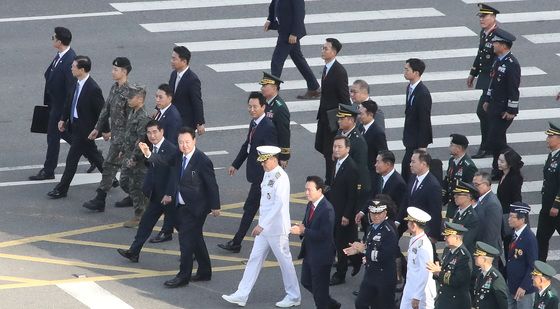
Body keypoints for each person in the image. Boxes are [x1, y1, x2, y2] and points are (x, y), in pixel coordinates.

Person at [222, 146, 300, 308]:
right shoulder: (268, 173)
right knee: (254, 259)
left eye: (264, 162)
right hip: (265, 228)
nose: (262, 165)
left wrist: (262, 225)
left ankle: (293, 296)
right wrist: (262, 224)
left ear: (273, 159)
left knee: (285, 262)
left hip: (276, 229)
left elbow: (278, 205)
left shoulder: (281, 178)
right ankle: (242, 294)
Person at [218, 92, 278, 253]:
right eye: (249, 106)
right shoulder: (254, 123)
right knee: (255, 209)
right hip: (257, 176)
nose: (251, 109)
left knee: (251, 208)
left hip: (263, 177)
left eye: (255, 107)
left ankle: (237, 242)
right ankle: (239, 241)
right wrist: (235, 164)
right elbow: (248, 145)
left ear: (263, 107)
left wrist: (265, 176)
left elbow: (271, 155)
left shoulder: (268, 127)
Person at [163, 127, 221, 288]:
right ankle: (204, 271)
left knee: (186, 241)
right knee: (195, 238)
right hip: (181, 206)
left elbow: (212, 185)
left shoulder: (202, 160)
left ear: (194, 141)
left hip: (196, 208)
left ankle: (183, 276)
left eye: (187, 142)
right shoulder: (178, 156)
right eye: (181, 142)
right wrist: (148, 154)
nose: (184, 145)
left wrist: (215, 206)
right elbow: (164, 163)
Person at [116, 120, 179, 262]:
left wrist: (169, 194)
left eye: (155, 132)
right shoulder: (151, 147)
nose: (152, 135)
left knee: (181, 226)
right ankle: (134, 252)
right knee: (145, 223)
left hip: (169, 197)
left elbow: (172, 173)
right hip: (156, 195)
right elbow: (152, 168)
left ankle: (194, 253)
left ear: (162, 132)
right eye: (149, 132)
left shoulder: (170, 149)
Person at [47, 55, 105, 199]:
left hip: (85, 130)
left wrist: (105, 130)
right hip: (75, 126)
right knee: (94, 155)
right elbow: (69, 102)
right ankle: (111, 179)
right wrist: (63, 119)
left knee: (71, 160)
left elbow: (102, 112)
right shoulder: (77, 82)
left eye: (73, 66)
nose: (71, 68)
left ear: (82, 69)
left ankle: (62, 189)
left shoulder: (93, 88)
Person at [82, 57, 132, 211]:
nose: (112, 72)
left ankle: (139, 197)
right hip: (116, 138)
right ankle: (101, 199)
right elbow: (106, 109)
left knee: (122, 171)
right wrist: (98, 128)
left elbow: (132, 120)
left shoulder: (130, 93)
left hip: (124, 140)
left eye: (115, 69)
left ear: (124, 72)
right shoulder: (114, 88)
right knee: (112, 167)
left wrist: (127, 143)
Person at [291, 176, 340, 309]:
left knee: (320, 292)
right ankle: (331, 304)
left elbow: (324, 234)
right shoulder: (310, 205)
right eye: (305, 189)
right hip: (310, 253)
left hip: (322, 256)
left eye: (309, 190)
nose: (306, 192)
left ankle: (326, 304)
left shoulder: (327, 209)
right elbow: (306, 224)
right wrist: (301, 228)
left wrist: (303, 230)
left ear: (320, 190)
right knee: (306, 282)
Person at [481, 28, 521, 180]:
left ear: (504, 45)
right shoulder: (498, 60)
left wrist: (511, 109)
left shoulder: (512, 64)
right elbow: (493, 82)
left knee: (494, 139)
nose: (493, 44)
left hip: (504, 109)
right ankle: (498, 169)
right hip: (494, 106)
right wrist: (487, 99)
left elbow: (513, 88)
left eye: (496, 42)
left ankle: (515, 161)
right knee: (498, 138)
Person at [344, 200, 399, 309]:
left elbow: (383, 256)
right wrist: (357, 250)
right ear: (369, 213)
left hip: (384, 278)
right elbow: (368, 246)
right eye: (373, 213)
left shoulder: (389, 232)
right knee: (360, 303)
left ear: (385, 213)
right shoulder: (370, 228)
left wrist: (363, 250)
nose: (376, 216)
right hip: (370, 275)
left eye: (379, 213)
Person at [265, 0, 320, 100]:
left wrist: (295, 33)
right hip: (283, 30)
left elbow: (299, 13)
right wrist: (270, 19)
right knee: (299, 60)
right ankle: (314, 87)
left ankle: (272, 92)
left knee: (276, 62)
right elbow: (274, 3)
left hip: (289, 33)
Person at [149, 83, 183, 243]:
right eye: (156, 96)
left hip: (167, 164)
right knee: (165, 200)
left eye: (160, 97)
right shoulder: (161, 112)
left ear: (170, 98)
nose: (157, 99)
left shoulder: (173, 117)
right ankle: (169, 229)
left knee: (167, 199)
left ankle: (170, 230)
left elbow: (170, 145)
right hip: (160, 161)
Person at [326, 135, 361, 286]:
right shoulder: (337, 162)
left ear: (347, 149)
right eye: (335, 146)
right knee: (342, 242)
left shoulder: (351, 167)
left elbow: (352, 195)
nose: (336, 149)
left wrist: (347, 215)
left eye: (339, 147)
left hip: (343, 213)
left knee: (340, 244)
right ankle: (355, 258)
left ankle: (340, 274)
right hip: (335, 209)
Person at [314, 38, 350, 182]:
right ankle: (330, 176)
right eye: (323, 48)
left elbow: (344, 97)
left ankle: (331, 180)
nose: (323, 51)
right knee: (322, 148)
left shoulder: (339, 72)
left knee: (331, 152)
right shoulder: (327, 67)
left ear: (334, 52)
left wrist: (347, 119)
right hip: (324, 117)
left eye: (326, 48)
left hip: (332, 120)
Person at [469, 4, 500, 159]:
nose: (481, 19)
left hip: (493, 80)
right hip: (485, 77)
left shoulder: (498, 36)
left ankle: (488, 145)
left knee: (483, 111)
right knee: (485, 112)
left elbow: (499, 60)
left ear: (493, 17)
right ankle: (489, 143)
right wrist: (473, 73)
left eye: (485, 16)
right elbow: (480, 54)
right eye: (480, 16)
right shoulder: (484, 33)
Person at [396, 150, 442, 245]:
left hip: (424, 229)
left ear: (423, 164)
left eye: (413, 162)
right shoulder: (413, 177)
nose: (410, 164)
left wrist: (433, 235)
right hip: (412, 224)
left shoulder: (433, 185)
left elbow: (436, 212)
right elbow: (406, 200)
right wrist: (398, 220)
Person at [426, 222, 473, 309]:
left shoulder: (464, 256)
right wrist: (437, 271)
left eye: (447, 236)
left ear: (456, 238)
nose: (444, 238)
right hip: (444, 299)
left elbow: (458, 280)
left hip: (456, 302)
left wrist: (439, 273)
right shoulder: (448, 250)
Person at [402, 58, 433, 182]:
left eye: (407, 69)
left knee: (410, 172)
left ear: (416, 73)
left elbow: (424, 121)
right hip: (410, 138)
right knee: (407, 170)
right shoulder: (410, 88)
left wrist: (422, 146)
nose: (404, 72)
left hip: (416, 141)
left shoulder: (423, 93)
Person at [336, 104, 370, 214]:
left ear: (351, 120)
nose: (339, 121)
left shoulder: (358, 141)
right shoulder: (340, 133)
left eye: (342, 119)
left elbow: (359, 169)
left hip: (350, 185)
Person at [399, 207, 436, 309]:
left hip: (420, 292)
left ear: (413, 225)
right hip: (411, 287)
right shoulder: (415, 240)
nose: (407, 225)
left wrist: (417, 296)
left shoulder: (423, 246)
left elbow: (424, 272)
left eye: (408, 222)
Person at [507, 202, 537, 309]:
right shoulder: (514, 234)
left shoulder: (529, 238)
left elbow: (533, 266)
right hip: (512, 285)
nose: (508, 219)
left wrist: (524, 286)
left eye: (512, 217)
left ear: (522, 219)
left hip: (524, 290)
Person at [537, 122, 560, 262]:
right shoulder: (553, 156)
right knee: (541, 238)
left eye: (551, 136)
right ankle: (540, 267)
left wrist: (556, 205)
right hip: (547, 206)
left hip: (556, 208)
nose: (548, 139)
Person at [169, 46, 205, 134]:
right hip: (173, 118)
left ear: (184, 61)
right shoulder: (174, 74)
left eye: (174, 59)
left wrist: (200, 123)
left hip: (186, 123)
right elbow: (169, 94)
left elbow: (197, 101)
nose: (171, 61)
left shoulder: (192, 80)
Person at [357, 99, 388, 197]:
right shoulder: (361, 127)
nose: (358, 117)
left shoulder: (377, 132)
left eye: (361, 114)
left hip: (371, 174)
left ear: (370, 115)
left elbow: (383, 154)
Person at [259, 72, 291, 167]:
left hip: (274, 152)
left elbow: (284, 133)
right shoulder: (265, 103)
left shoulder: (280, 108)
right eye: (262, 86)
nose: (262, 88)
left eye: (265, 85)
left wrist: (284, 156)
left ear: (274, 87)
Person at [443, 134, 478, 219]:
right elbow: (449, 179)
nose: (449, 147)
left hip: (461, 205)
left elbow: (471, 189)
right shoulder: (452, 161)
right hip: (452, 203)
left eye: (451, 145)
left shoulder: (469, 166)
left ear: (458, 148)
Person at [472, 171, 503, 265]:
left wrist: (483, 252)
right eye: (473, 184)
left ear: (486, 184)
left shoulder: (492, 204)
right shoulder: (481, 199)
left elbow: (491, 233)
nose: (474, 187)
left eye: (476, 185)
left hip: (487, 252)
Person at [497, 148, 523, 256]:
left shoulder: (514, 179)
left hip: (509, 215)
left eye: (502, 161)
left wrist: (514, 217)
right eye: (499, 160)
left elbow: (516, 199)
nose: (499, 163)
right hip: (503, 213)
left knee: (509, 244)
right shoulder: (503, 175)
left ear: (510, 164)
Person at [471, 241, 508, 309]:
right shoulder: (481, 274)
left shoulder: (496, 278)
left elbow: (503, 303)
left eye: (477, 256)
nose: (474, 257)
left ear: (484, 259)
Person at [451, 180, 480, 254]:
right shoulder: (458, 212)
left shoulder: (472, 217)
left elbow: (466, 241)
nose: (455, 196)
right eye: (455, 194)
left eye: (459, 194)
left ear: (468, 197)